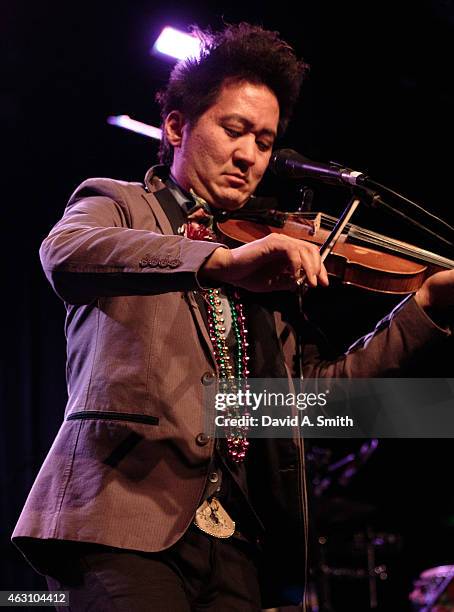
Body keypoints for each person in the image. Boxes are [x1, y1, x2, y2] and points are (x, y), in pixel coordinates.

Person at [12, 22, 453, 611]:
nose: (249, 156)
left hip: (239, 545)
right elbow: (65, 252)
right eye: (234, 129)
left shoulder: (268, 260)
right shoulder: (120, 204)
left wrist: (422, 310)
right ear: (175, 127)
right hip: (121, 523)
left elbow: (316, 403)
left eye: (265, 142)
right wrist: (220, 261)